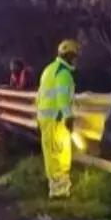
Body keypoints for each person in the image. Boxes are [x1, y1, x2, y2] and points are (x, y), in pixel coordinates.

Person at [36, 39, 80, 199]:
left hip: (45, 119)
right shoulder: (64, 74)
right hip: (56, 120)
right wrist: (68, 116)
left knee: (50, 155)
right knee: (60, 155)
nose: (76, 60)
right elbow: (62, 98)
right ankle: (60, 191)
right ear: (69, 56)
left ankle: (55, 189)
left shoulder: (49, 69)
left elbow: (39, 96)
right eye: (75, 56)